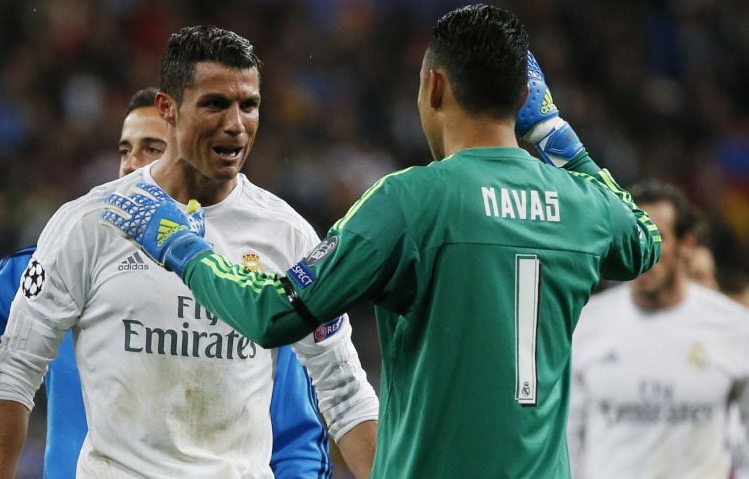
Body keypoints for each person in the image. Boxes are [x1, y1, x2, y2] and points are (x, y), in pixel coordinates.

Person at [101, 5, 661, 477]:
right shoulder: (581, 204)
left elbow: (276, 312)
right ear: (523, 97)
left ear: (434, 86)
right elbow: (644, 239)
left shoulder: (410, 202)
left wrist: (183, 246)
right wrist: (556, 136)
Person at [0, 27, 379, 478]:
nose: (236, 124)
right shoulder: (92, 222)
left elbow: (344, 393)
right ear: (168, 109)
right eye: (215, 104)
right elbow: (14, 370)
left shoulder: (286, 236)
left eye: (249, 105)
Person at [567, 179, 749, 479]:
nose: (643, 252)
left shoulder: (733, 327)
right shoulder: (586, 323)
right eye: (632, 237)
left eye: (656, 238)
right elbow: (569, 434)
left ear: (687, 245)